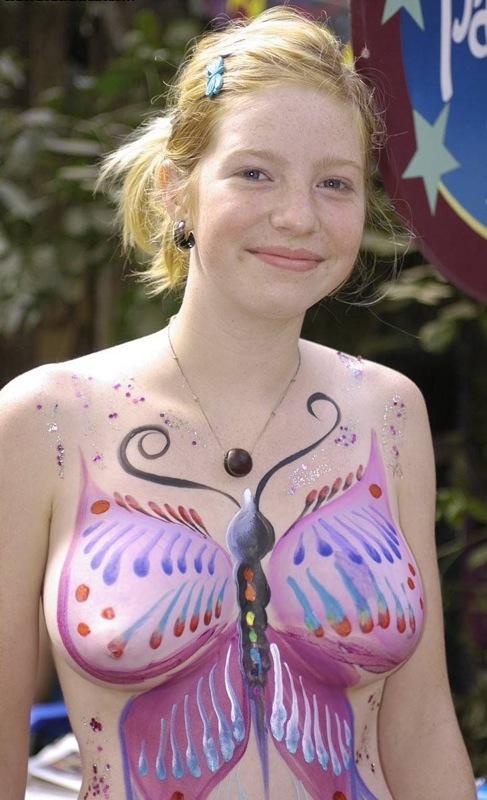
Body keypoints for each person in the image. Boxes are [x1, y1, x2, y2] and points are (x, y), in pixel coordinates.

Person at [0, 7, 476, 800]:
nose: (297, 216)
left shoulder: (388, 411)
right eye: (254, 173)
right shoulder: (46, 419)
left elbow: (420, 724)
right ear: (176, 191)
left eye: (334, 183)